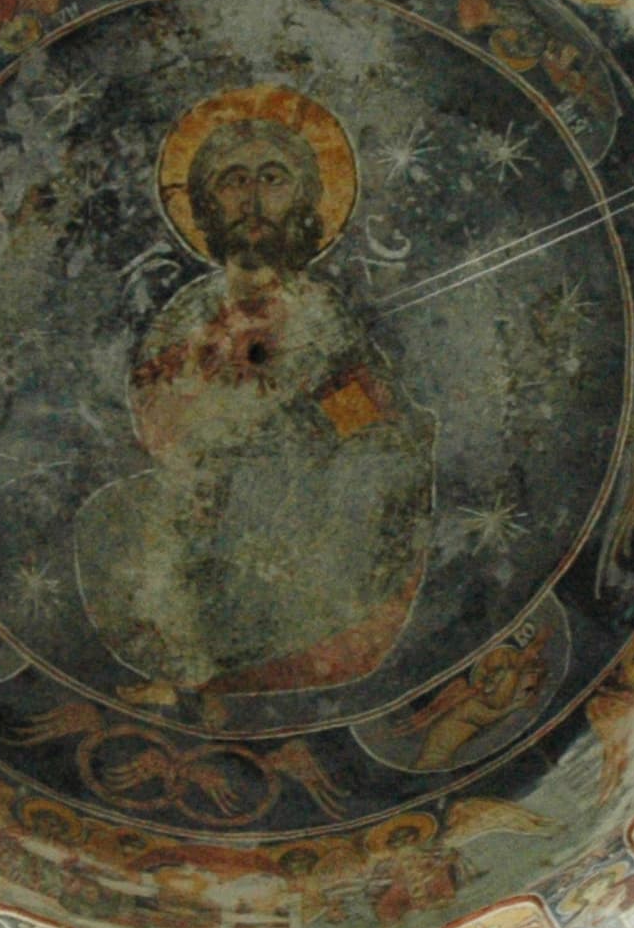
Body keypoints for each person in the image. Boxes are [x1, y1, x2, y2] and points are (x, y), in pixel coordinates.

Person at [79, 88, 434, 697]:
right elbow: (153, 415)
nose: (251, 200)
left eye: (272, 179)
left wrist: (291, 426)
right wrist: (201, 433)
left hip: (298, 494)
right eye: (232, 181)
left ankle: (238, 663)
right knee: (108, 517)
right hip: (202, 489)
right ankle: (187, 664)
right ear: (204, 206)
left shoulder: (319, 311)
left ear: (303, 200)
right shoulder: (186, 311)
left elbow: (361, 424)